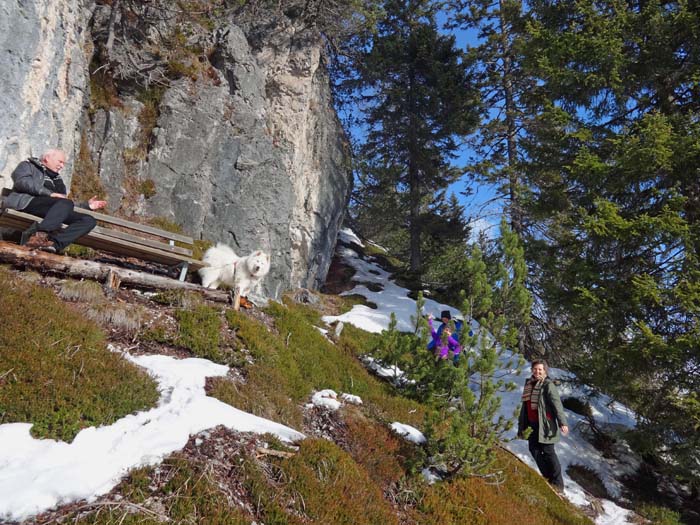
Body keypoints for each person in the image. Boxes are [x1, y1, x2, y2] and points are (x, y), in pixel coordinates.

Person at [4, 149, 106, 254]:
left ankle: (54, 245)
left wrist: (86, 205)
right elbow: (22, 182)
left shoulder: (58, 180)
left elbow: (64, 202)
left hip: (52, 210)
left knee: (89, 220)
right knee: (65, 203)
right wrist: (49, 194)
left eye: (63, 163)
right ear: (47, 158)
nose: (62, 166)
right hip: (28, 202)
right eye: (60, 161)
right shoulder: (28, 166)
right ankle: (39, 237)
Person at [517, 359, 569, 492]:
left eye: (540, 369)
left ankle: (558, 484)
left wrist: (562, 422)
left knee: (548, 452)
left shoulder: (548, 385)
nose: (537, 371)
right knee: (533, 449)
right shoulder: (529, 384)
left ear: (545, 370)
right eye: (535, 369)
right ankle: (547, 478)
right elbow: (526, 406)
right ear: (532, 370)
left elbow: (557, 405)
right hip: (531, 424)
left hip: (545, 424)